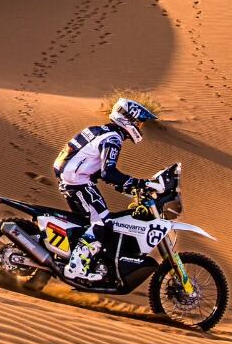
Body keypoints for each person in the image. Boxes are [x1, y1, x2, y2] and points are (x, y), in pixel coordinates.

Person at [52, 97, 161, 281]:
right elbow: (108, 172)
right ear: (128, 120)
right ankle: (76, 267)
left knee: (87, 225)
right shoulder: (113, 138)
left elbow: (93, 167)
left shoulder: (98, 130)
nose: (140, 127)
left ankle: (73, 258)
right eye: (139, 123)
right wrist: (139, 183)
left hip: (72, 179)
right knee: (102, 224)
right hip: (78, 183)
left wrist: (124, 185)